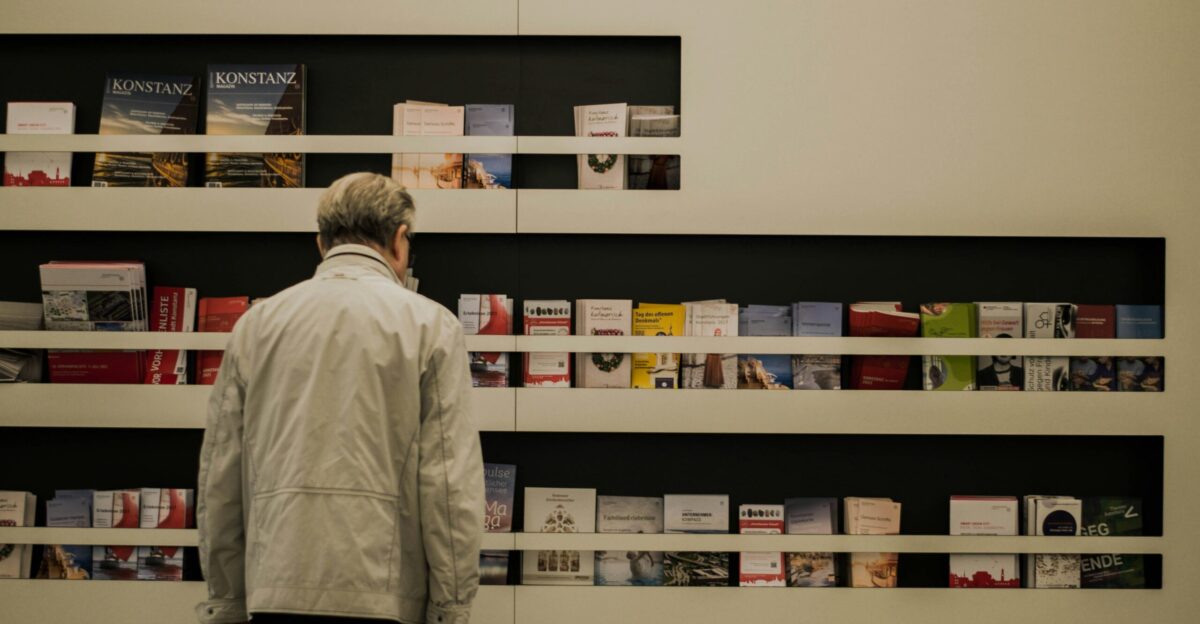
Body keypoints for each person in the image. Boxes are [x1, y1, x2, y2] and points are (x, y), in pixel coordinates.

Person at [196, 172, 484, 624]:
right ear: (399, 239)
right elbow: (449, 485)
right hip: (385, 596)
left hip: (275, 589)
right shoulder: (431, 326)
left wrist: (226, 601)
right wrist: (451, 607)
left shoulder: (257, 324)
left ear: (321, 243)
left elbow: (221, 477)